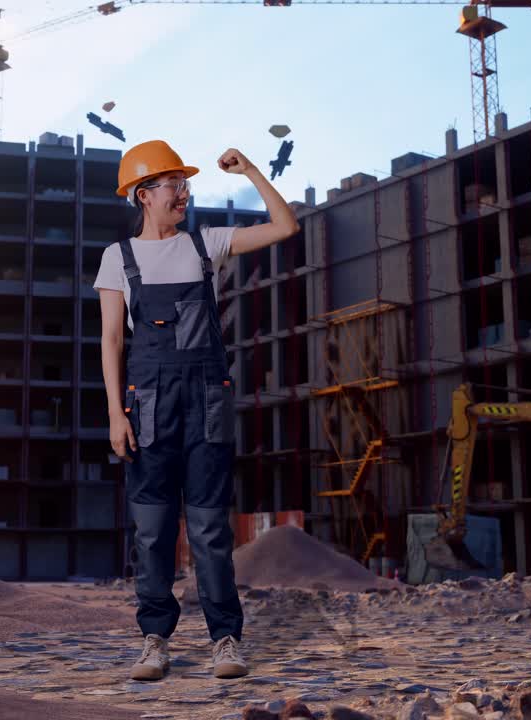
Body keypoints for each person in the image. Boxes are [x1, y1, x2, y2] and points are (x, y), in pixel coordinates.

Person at [92, 140, 299, 681]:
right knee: (153, 532)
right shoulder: (119, 258)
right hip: (149, 407)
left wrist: (251, 169)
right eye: (173, 185)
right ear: (144, 195)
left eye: (186, 184)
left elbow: (284, 227)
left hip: (207, 401)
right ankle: (155, 640)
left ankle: (225, 639)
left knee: (210, 531)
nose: (184, 193)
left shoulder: (207, 244)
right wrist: (116, 414)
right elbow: (112, 340)